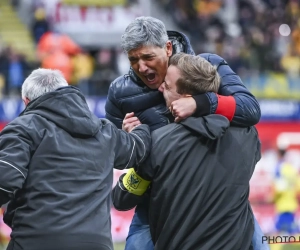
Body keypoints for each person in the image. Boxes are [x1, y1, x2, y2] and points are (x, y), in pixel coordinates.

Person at [105, 16, 264, 250]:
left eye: (148, 57)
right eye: (133, 60)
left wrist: (201, 103)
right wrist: (133, 141)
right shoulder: (120, 92)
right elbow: (115, 155)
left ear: (167, 48)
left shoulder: (208, 66)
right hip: (157, 202)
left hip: (218, 198)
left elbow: (250, 110)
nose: (141, 67)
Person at [0, 68, 151, 250]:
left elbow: (5, 180)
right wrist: (139, 129)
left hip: (36, 239)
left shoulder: (23, 128)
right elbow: (137, 150)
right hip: (97, 244)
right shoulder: (104, 131)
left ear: (27, 102)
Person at [273, 148, 299, 234]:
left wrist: (272, 196)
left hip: (282, 204)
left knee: (282, 233)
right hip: (292, 203)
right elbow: (297, 185)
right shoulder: (291, 168)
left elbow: (279, 188)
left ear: (279, 155)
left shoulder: (279, 168)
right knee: (291, 232)